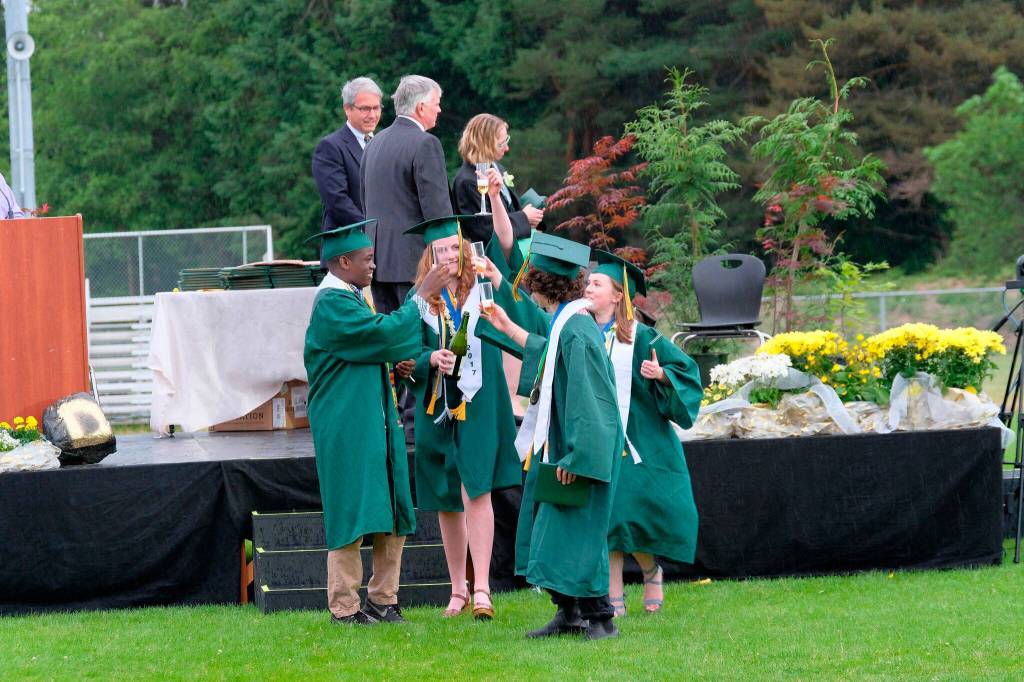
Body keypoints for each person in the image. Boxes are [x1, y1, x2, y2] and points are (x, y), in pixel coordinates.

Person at [477, 233, 625, 640]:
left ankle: (601, 619)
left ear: (540, 284)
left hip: (583, 446)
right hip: (566, 441)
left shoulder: (577, 329)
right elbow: (548, 354)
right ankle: (569, 613)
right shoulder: (571, 322)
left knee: (580, 529)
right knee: (554, 526)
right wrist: (507, 328)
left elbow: (589, 398)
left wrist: (576, 458)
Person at [303, 218, 451, 625]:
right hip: (347, 424)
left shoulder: (353, 295)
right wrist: (420, 295)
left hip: (375, 420)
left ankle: (384, 599)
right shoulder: (332, 302)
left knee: (393, 503)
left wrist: (395, 365)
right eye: (367, 260)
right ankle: (345, 606)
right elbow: (376, 335)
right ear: (343, 261)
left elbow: (369, 348)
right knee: (352, 507)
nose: (374, 266)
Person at [401, 169, 522, 621]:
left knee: (478, 490)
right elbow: (403, 352)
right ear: (429, 255)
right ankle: (457, 589)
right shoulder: (419, 300)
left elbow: (514, 320)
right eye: (441, 250)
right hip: (436, 405)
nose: (450, 255)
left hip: (478, 401)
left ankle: (484, 588)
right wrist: (430, 359)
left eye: (455, 246)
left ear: (465, 249)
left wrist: (493, 195)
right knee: (446, 498)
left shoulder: (484, 289)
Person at [584, 250, 703, 616]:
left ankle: (651, 570)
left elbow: (685, 370)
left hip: (638, 436)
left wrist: (661, 375)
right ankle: (612, 595)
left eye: (596, 283)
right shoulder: (579, 330)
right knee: (608, 518)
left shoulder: (641, 336)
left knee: (625, 515)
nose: (587, 287)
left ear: (617, 295)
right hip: (598, 438)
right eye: (588, 282)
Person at [360, 75, 453, 314]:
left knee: (391, 341)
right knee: (421, 340)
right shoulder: (425, 143)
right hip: (415, 265)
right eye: (437, 103)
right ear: (421, 107)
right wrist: (451, 263)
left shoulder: (373, 143)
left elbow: (365, 203)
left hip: (376, 262)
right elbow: (438, 214)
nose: (439, 109)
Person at [311, 77, 383, 259]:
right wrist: (373, 231)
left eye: (376, 108)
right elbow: (337, 200)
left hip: (383, 251)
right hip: (347, 252)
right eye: (365, 108)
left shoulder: (383, 144)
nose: (372, 115)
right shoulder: (330, 147)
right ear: (347, 109)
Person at [451, 113, 543, 243]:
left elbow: (509, 209)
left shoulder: (498, 168)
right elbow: (484, 229)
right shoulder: (467, 181)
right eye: (501, 144)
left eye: (507, 140)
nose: (507, 148)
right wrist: (524, 218)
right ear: (483, 144)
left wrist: (533, 218)